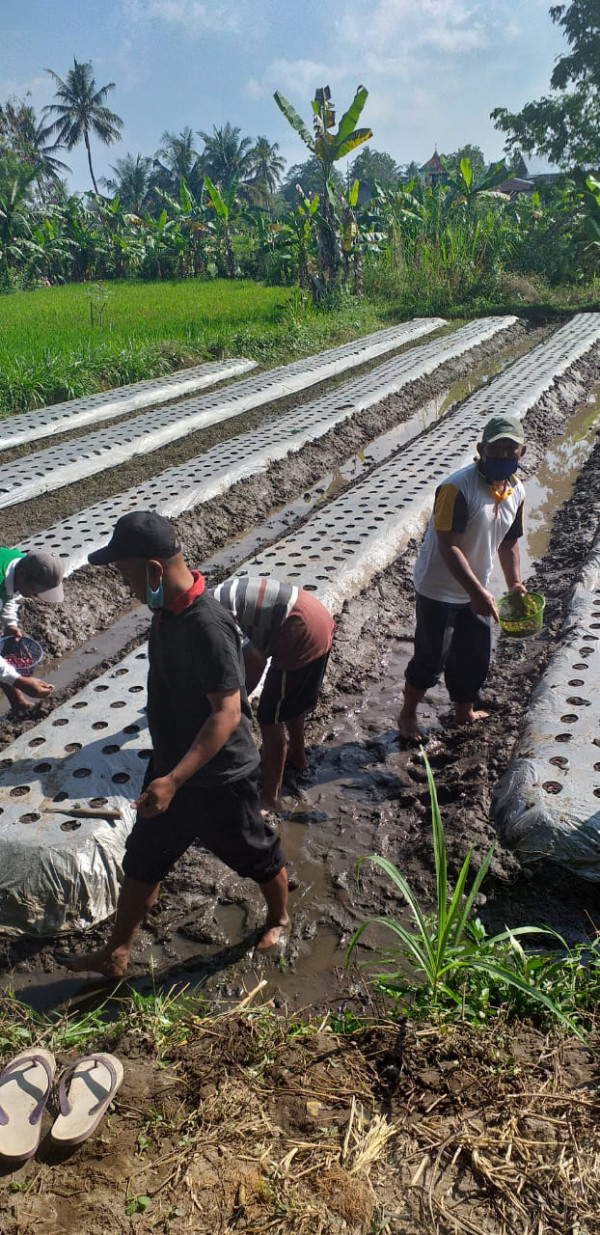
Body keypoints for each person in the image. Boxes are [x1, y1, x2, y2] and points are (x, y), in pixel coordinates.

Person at [65, 511, 289, 978]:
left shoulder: (206, 625)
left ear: (152, 569)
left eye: (126, 574)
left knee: (257, 854)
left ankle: (279, 917)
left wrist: (174, 779)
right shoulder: (167, 612)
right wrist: (167, 774)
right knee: (144, 861)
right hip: (172, 769)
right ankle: (116, 953)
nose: (125, 585)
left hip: (219, 777)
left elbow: (226, 712)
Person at [398, 414, 527, 740]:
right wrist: (477, 593)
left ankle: (463, 712)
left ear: (521, 453)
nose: (502, 457)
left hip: (476, 586)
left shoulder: (516, 490)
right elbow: (448, 547)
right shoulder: (456, 488)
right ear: (481, 449)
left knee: (474, 656)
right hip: (439, 588)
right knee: (431, 657)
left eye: (509, 451)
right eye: (496, 450)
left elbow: (509, 542)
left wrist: (514, 583)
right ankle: (407, 714)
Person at [210, 577, 335, 812]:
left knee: (269, 716)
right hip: (315, 617)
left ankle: (270, 797)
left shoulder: (211, 619)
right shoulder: (209, 599)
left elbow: (255, 662)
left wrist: (237, 702)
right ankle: (298, 756)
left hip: (299, 630)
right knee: (289, 702)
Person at [0, 547, 65, 716]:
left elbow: (9, 596)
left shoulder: (22, 562)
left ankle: (18, 704)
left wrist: (9, 624)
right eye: (36, 590)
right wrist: (19, 681)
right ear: (22, 574)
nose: (37, 596)